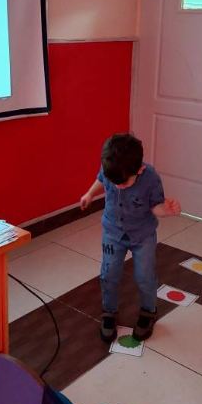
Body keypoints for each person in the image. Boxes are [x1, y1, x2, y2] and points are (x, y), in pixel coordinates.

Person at [80, 133, 181, 342]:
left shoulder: (150, 178)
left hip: (142, 236)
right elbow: (101, 179)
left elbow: (156, 207)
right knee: (109, 273)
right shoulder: (111, 168)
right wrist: (90, 194)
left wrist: (166, 211)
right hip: (112, 232)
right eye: (114, 182)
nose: (118, 186)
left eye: (124, 183)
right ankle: (109, 311)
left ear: (140, 169)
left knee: (144, 275)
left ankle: (148, 311)